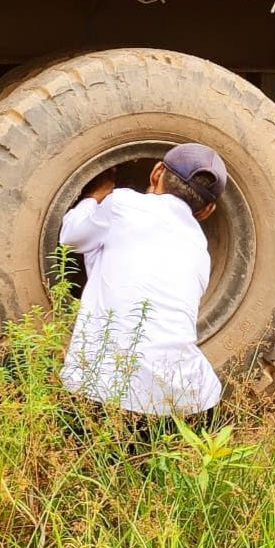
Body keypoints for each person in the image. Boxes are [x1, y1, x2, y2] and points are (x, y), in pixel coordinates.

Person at [58, 143, 227, 436]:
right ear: (207, 211)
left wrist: (93, 196)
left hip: (99, 396)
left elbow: (70, 237)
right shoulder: (201, 251)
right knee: (205, 387)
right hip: (181, 408)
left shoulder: (121, 204)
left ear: (156, 172)